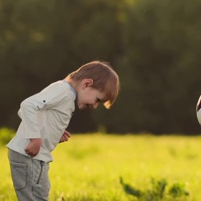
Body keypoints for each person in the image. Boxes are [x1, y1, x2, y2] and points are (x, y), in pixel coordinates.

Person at [6, 61, 120, 201]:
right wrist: (34, 137)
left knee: (40, 194)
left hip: (36, 157)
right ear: (86, 84)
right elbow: (27, 106)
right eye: (97, 99)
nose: (95, 106)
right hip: (28, 156)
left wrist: (51, 129)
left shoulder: (67, 95)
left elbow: (30, 112)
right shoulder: (62, 91)